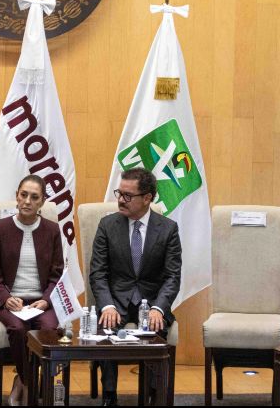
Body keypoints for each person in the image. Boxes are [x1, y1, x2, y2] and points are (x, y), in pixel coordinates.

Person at [90, 167, 182, 406]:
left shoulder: (168, 229)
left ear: (148, 198)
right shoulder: (107, 226)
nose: (121, 200)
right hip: (116, 300)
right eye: (119, 193)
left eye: (128, 195)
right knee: (106, 329)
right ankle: (109, 396)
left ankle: (152, 394)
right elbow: (98, 273)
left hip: (151, 302)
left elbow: (173, 276)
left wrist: (159, 308)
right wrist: (107, 305)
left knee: (155, 328)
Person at [0, 175, 64, 406]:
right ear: (17, 197)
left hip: (40, 301)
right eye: (23, 195)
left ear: (42, 202)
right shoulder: (1, 228)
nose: (27, 201)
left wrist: (47, 300)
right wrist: (6, 298)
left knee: (49, 329)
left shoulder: (52, 230)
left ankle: (22, 379)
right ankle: (30, 385)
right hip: (10, 301)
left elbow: (57, 274)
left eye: (34, 197)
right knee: (18, 329)